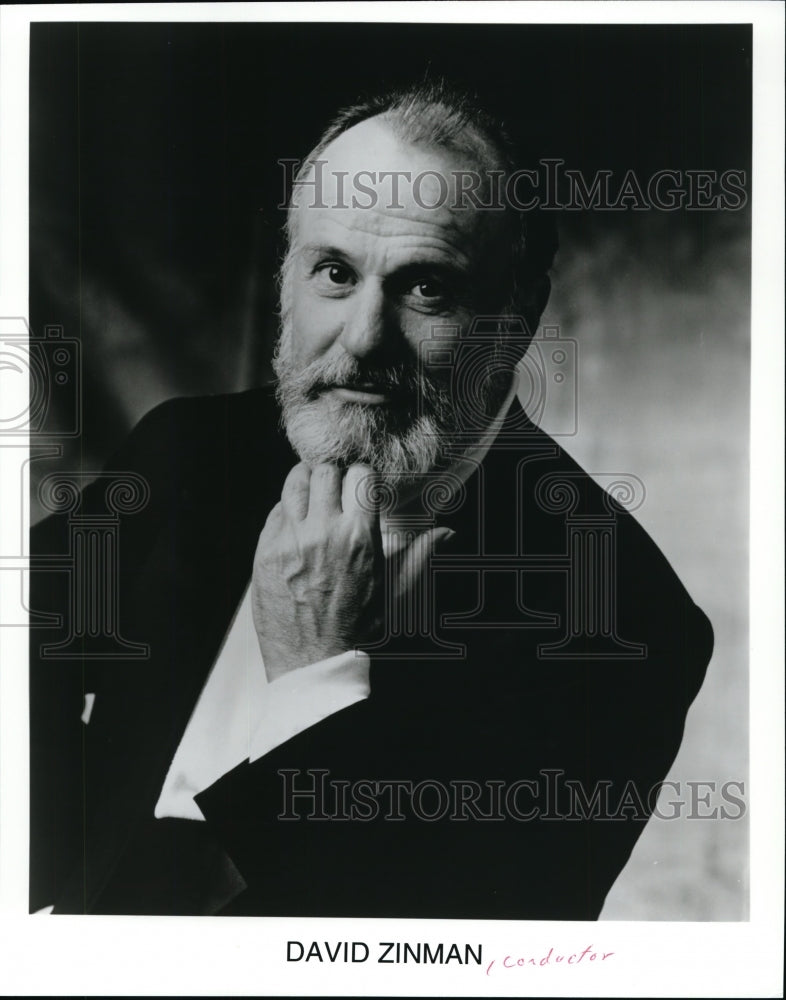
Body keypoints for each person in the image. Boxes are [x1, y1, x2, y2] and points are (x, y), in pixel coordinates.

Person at [29, 82, 713, 918]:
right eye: (333, 273)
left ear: (519, 314)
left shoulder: (629, 622)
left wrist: (316, 672)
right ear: (286, 279)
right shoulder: (183, 450)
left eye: (427, 289)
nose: (362, 340)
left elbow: (457, 961)